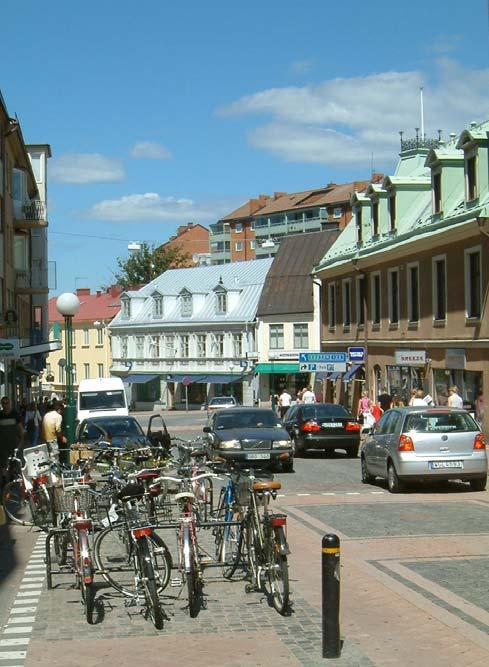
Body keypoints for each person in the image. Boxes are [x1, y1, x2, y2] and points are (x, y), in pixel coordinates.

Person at [0, 397, 24, 486]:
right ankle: (4, 480)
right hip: (2, 444)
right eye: (3, 403)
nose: (5, 405)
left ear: (9, 403)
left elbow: (20, 428)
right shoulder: (0, 415)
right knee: (2, 463)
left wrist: (21, 440)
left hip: (13, 443)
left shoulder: (15, 414)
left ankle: (10, 478)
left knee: (12, 462)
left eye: (6, 403)